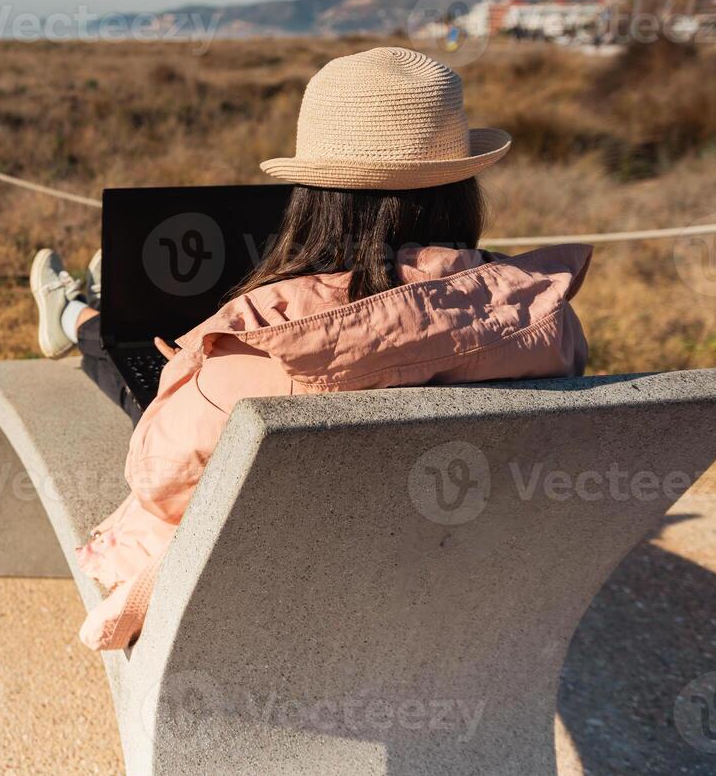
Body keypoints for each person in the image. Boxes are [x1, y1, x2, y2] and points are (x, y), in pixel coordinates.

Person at [29, 47, 591, 651]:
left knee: (133, 365)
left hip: (275, 606)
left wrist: (196, 380)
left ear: (313, 198)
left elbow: (156, 481)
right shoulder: (548, 319)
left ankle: (74, 314)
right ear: (464, 189)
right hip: (448, 588)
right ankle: (79, 314)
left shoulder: (262, 352)